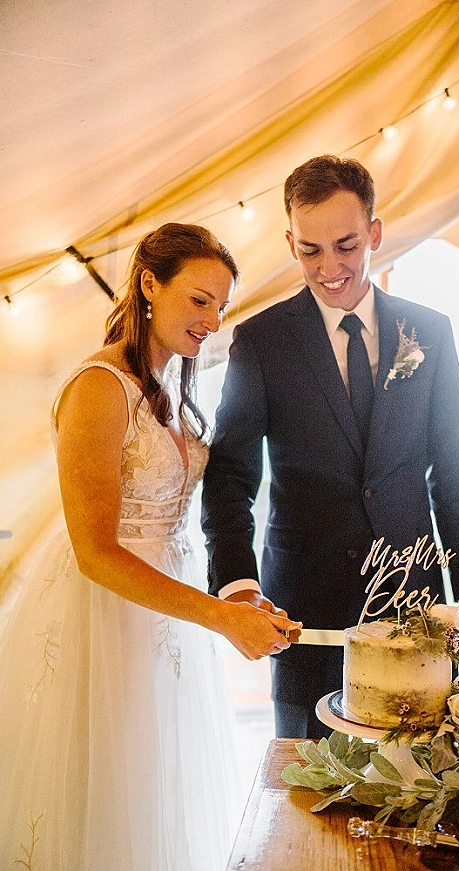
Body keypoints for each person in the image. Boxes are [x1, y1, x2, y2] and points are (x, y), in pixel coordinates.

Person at [0, 223, 300, 871]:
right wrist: (218, 617)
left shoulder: (167, 390)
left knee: (160, 789)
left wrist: (236, 602)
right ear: (148, 285)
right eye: (198, 300)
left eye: (221, 305)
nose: (212, 321)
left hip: (168, 622)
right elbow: (94, 551)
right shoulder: (97, 387)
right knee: (109, 792)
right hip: (104, 619)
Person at [201, 155, 459, 740]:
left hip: (414, 604)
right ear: (290, 243)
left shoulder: (430, 334)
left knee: (415, 776)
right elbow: (230, 478)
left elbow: (455, 477)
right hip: (303, 613)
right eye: (310, 250)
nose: (329, 268)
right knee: (308, 778)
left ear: (374, 234)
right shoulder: (260, 342)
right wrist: (238, 588)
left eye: (346, 246)